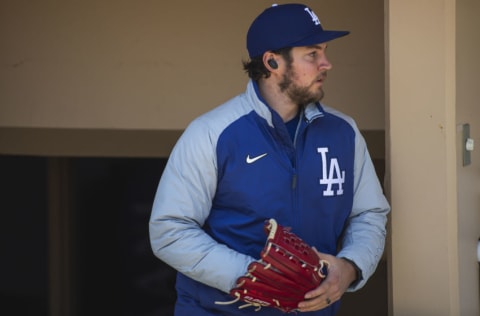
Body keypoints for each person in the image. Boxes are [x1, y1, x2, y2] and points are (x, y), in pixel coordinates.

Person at [149, 3, 390, 315]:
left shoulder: (343, 132)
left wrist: (350, 266)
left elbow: (368, 214)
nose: (326, 64)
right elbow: (170, 230)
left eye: (325, 52)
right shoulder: (211, 133)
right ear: (273, 61)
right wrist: (254, 275)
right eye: (312, 54)